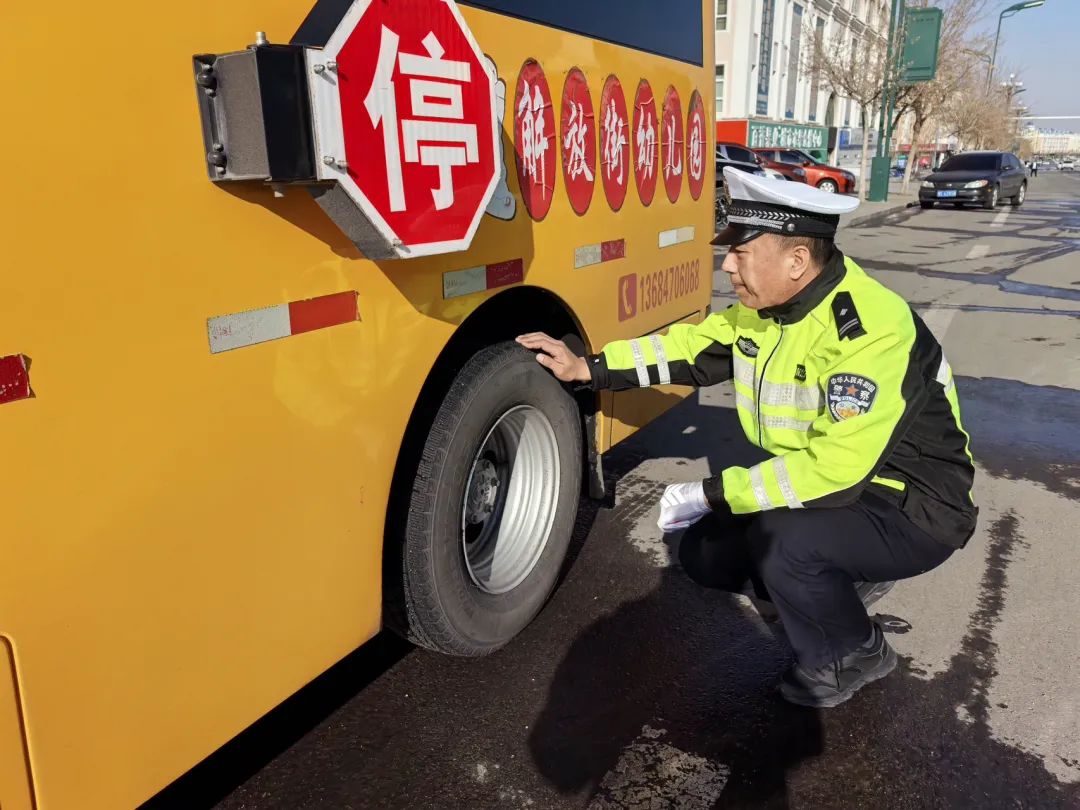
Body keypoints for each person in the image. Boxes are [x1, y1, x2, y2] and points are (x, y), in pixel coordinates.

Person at [517, 168, 978, 708]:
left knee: (787, 546)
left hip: (914, 506)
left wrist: (710, 492)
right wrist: (589, 368)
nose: (727, 265)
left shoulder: (869, 330)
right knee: (705, 555)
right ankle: (837, 586)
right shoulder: (768, 312)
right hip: (844, 491)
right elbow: (687, 349)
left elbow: (834, 470)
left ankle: (856, 651)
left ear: (796, 262)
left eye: (740, 253)